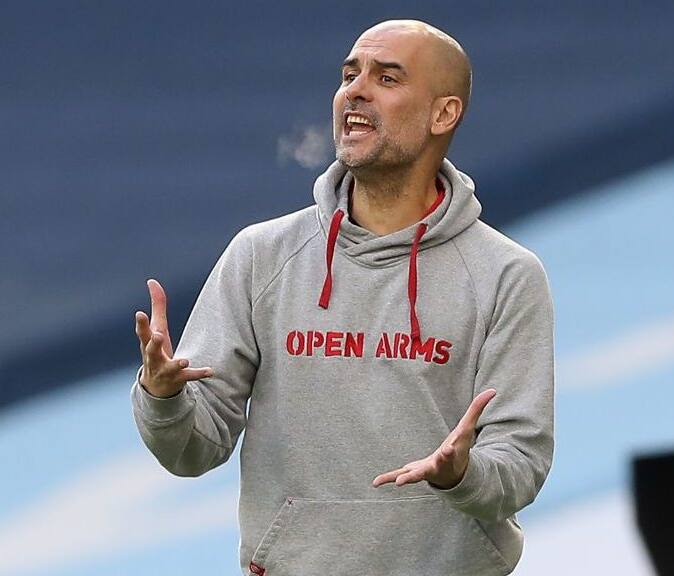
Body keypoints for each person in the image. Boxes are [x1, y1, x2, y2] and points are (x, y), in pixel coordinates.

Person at [131, 19, 554, 576]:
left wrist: (462, 474)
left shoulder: (506, 275)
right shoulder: (261, 255)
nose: (355, 90)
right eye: (350, 73)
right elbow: (194, 449)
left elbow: (519, 462)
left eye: (387, 78)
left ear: (443, 114)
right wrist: (163, 399)